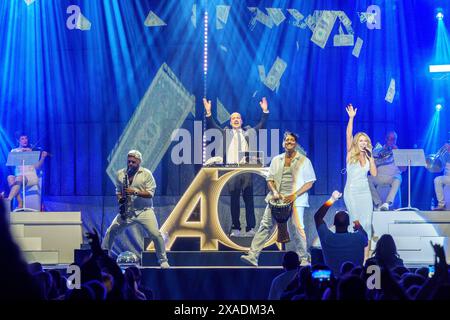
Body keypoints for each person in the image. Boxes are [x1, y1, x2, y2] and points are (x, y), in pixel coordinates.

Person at [240, 131, 316, 266]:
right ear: (283, 143)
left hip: (295, 200)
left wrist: (294, 195)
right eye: (287, 140)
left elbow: (309, 182)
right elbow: (270, 179)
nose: (289, 142)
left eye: (292, 140)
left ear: (296, 143)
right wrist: (274, 192)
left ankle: (304, 258)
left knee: (297, 229)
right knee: (265, 225)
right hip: (276, 200)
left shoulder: (304, 161)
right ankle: (253, 256)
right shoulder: (277, 159)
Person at [203, 97, 269, 237]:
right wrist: (208, 113)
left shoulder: (248, 132)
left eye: (238, 117)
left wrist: (265, 111)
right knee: (234, 200)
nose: (236, 119)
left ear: (242, 121)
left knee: (248, 199)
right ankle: (236, 228)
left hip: (246, 169)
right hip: (231, 170)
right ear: (230, 121)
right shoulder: (226, 132)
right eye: (233, 118)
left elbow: (261, 124)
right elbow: (212, 126)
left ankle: (251, 228)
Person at [102, 150, 169, 268]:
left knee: (156, 234)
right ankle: (103, 258)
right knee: (111, 231)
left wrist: (135, 192)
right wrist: (120, 200)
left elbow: (150, 194)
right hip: (127, 211)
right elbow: (118, 191)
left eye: (133, 162)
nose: (130, 164)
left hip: (145, 210)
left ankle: (163, 260)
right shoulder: (121, 174)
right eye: (129, 161)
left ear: (139, 162)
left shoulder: (146, 174)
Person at [344, 104, 377, 259]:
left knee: (367, 225)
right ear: (357, 142)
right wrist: (351, 118)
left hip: (365, 193)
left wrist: (371, 159)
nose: (363, 143)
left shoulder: (369, 156)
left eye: (366, 141)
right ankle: (353, 257)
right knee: (355, 223)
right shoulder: (351, 153)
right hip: (351, 191)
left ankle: (366, 260)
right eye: (361, 140)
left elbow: (374, 174)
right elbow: (348, 135)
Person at [314, 191, 368, 276]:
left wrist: (332, 199)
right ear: (349, 224)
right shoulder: (359, 237)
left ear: (334, 223)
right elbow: (365, 238)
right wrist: (359, 227)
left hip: (334, 283)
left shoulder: (327, 238)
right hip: (356, 282)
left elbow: (317, 217)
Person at [6, 133, 48, 209]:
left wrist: (42, 157)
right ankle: (20, 201)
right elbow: (12, 164)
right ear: (18, 140)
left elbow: (37, 166)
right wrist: (20, 153)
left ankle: (8, 200)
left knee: (19, 178)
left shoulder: (30, 151)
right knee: (10, 177)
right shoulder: (14, 151)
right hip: (19, 176)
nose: (25, 140)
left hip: (31, 177)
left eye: (26, 138)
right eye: (22, 139)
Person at [368, 131, 405, 210]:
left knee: (398, 177)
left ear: (396, 140)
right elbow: (370, 168)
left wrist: (397, 153)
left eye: (393, 139)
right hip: (379, 177)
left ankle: (387, 203)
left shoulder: (399, 152)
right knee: (367, 179)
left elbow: (403, 169)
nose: (391, 141)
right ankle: (378, 203)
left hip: (392, 178)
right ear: (385, 139)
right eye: (389, 138)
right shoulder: (377, 151)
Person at [432, 142, 450, 211]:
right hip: (447, 177)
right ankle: (441, 205)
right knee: (437, 180)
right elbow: (440, 169)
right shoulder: (445, 154)